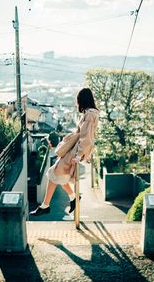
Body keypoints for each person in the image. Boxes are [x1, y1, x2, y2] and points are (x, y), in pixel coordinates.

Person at [30, 87, 99, 217]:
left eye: (78, 100)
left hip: (76, 151)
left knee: (54, 173)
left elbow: (86, 137)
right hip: (75, 149)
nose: (77, 103)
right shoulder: (90, 113)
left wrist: (78, 155)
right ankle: (72, 198)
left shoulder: (89, 114)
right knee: (57, 174)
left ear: (82, 100)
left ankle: (46, 205)